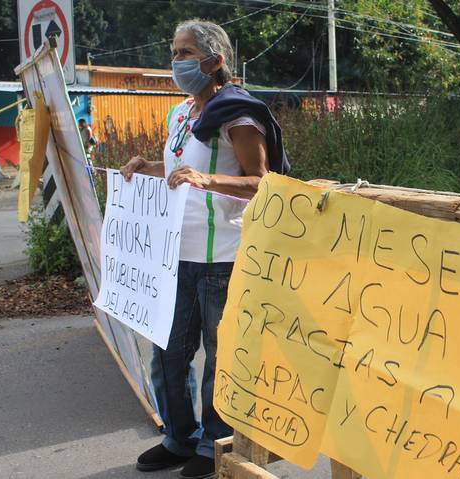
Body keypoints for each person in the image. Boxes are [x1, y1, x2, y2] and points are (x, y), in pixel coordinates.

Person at [120, 19, 288, 479]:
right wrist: (149, 166)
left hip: (223, 257)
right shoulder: (180, 114)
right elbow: (181, 168)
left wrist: (206, 180)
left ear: (215, 61)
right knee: (168, 351)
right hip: (174, 254)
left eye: (186, 53)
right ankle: (178, 438)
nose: (176, 61)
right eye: (174, 52)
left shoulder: (238, 113)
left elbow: (263, 182)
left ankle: (213, 445)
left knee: (219, 355)